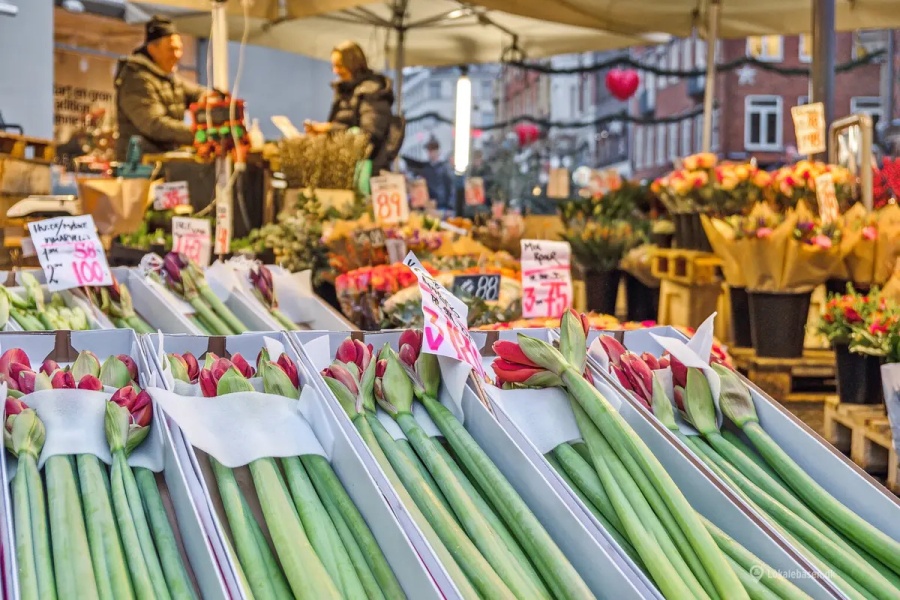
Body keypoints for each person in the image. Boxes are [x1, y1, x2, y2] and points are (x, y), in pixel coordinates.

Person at [114, 16, 209, 161]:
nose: (177, 55)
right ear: (152, 49)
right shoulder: (136, 79)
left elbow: (196, 93)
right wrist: (198, 134)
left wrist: (214, 98)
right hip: (140, 167)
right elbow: (154, 124)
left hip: (163, 162)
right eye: (171, 49)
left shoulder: (167, 77)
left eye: (179, 49)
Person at [305, 41, 398, 173]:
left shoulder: (372, 90)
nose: (335, 71)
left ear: (353, 64)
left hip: (366, 171)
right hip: (344, 168)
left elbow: (369, 134)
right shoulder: (345, 90)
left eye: (339, 65)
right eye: (333, 66)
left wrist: (330, 129)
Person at [417, 137, 455, 212]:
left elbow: (451, 187)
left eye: (432, 150)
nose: (430, 153)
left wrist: (450, 206)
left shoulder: (445, 168)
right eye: (429, 150)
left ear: (437, 151)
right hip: (428, 205)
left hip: (442, 206)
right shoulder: (425, 168)